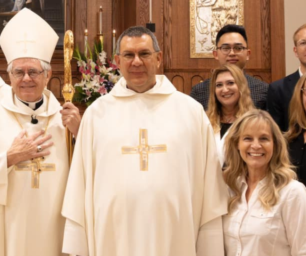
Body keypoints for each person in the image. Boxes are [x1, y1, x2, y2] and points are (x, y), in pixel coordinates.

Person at [61, 26, 228, 256]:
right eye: (128, 55)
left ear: (158, 58)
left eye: (144, 54)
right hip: (112, 238)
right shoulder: (96, 114)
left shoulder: (190, 112)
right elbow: (80, 184)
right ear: (118, 61)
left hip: (175, 237)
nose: (136, 62)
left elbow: (209, 187)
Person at [0, 9, 81, 256]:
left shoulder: (65, 121)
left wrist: (80, 132)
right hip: (5, 228)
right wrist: (9, 159)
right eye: (19, 72)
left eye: (34, 72)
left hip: (53, 224)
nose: (26, 78)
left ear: (47, 75)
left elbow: (89, 173)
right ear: (9, 76)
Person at [221, 110, 306, 256]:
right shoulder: (229, 189)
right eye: (247, 138)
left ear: (275, 145)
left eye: (264, 139)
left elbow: (305, 251)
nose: (256, 145)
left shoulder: (292, 192)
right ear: (237, 144)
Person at [189, 24, 268, 110]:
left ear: (248, 54)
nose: (232, 53)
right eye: (225, 48)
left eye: (238, 48)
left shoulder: (263, 90)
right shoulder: (199, 91)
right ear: (215, 54)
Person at [207, 63, 256, 165]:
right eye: (219, 85)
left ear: (241, 86)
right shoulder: (205, 121)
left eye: (230, 83)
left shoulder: (253, 122)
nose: (225, 89)